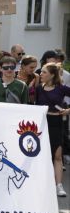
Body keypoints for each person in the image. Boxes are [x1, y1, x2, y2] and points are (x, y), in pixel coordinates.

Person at [36, 63, 70, 197]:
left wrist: (68, 110)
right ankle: (41, 184)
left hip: (56, 123)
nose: (41, 74)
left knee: (57, 155)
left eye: (44, 72)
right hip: (42, 123)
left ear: (52, 74)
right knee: (41, 154)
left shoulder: (61, 88)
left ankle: (59, 185)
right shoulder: (39, 88)